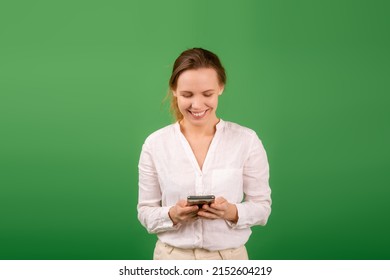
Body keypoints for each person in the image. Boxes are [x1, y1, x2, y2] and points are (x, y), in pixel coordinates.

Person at [137, 48, 271, 260]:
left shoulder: (246, 140)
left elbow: (262, 208)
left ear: (220, 88)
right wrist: (172, 214)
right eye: (187, 95)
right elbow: (145, 212)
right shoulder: (155, 144)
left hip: (229, 261)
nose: (197, 105)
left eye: (207, 94)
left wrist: (231, 212)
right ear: (174, 90)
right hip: (171, 260)